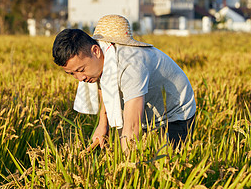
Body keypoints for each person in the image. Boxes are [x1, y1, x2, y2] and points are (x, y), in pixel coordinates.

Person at [52, 14, 196, 153]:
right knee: (134, 150)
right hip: (149, 111)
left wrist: (125, 169)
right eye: (72, 73)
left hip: (175, 113)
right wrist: (103, 125)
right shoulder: (103, 55)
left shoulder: (131, 65)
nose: (79, 78)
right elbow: (105, 86)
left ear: (95, 51)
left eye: (80, 70)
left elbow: (133, 127)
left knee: (164, 164)